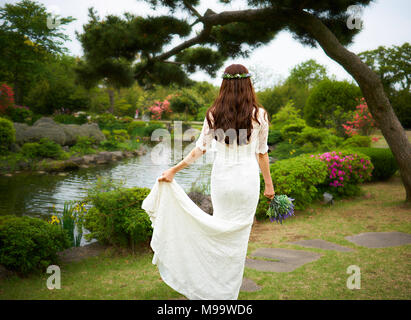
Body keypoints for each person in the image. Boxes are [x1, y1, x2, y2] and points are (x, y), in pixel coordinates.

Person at [142, 64, 275, 300]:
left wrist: (174, 169)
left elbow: (200, 149)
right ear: (248, 84)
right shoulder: (259, 115)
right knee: (237, 240)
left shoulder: (213, 113)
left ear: (223, 85)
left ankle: (212, 288)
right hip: (247, 181)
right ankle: (227, 295)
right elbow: (262, 153)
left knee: (219, 233)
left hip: (222, 180)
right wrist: (269, 185)